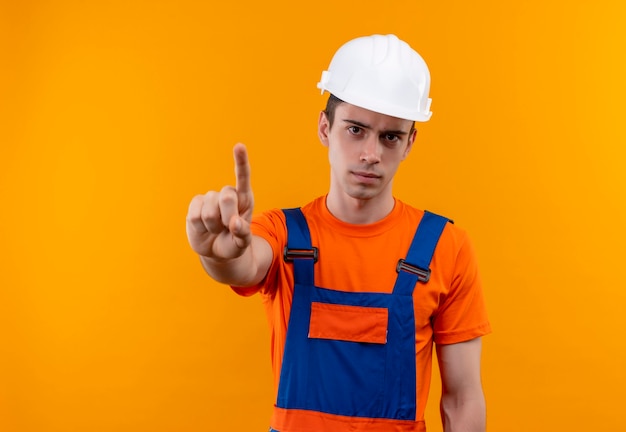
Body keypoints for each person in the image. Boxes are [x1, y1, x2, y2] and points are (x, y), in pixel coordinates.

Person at [186, 34, 491, 432]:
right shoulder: (282, 233)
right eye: (356, 129)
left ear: (410, 143)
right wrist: (217, 253)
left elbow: (462, 398)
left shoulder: (445, 247)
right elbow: (244, 264)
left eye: (390, 136)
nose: (371, 153)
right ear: (325, 128)